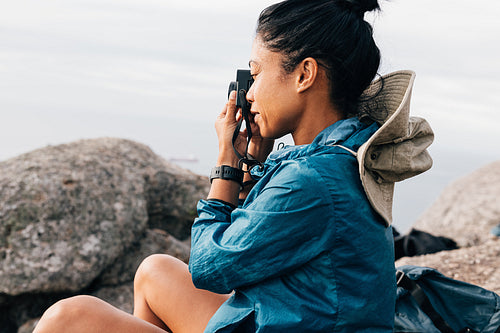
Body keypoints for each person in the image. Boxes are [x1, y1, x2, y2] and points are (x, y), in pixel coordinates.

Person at [34, 0, 434, 332]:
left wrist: (226, 165)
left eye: (256, 73)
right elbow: (265, 239)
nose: (251, 92)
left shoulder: (311, 179)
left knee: (68, 318)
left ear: (305, 74)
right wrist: (253, 170)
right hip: (294, 317)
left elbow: (208, 268)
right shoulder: (342, 151)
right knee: (155, 270)